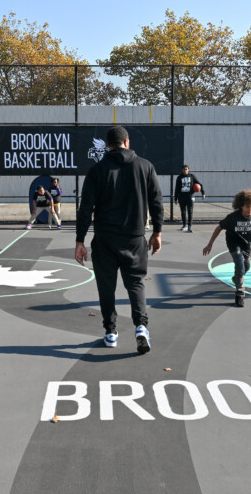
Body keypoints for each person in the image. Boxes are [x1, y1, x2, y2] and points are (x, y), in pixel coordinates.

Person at [75, 126, 163, 354]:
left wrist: (80, 241)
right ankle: (141, 327)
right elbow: (157, 203)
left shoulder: (97, 170)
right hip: (134, 238)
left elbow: (85, 209)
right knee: (135, 283)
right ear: (127, 142)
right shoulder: (145, 166)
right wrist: (157, 232)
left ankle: (111, 332)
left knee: (107, 287)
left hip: (104, 239)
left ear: (108, 145)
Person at [174, 164, 205, 233]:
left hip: (190, 196)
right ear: (182, 170)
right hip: (181, 197)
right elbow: (177, 189)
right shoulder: (179, 178)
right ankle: (184, 225)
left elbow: (200, 184)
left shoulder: (192, 176)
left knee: (190, 211)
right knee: (183, 212)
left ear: (188, 170)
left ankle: (190, 226)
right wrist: (175, 198)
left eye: (186, 169)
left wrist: (203, 193)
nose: (185, 171)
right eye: (184, 169)